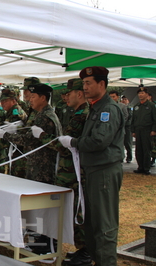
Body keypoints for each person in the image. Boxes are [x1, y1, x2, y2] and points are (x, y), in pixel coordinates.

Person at [59, 66, 124, 266]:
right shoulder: (96, 108)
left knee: (104, 224)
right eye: (84, 83)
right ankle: (97, 260)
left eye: (88, 83)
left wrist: (74, 143)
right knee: (92, 222)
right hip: (92, 171)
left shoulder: (108, 110)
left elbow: (98, 141)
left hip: (104, 171)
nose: (84, 87)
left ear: (102, 84)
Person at [36, 78, 91, 265]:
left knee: (78, 211)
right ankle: (80, 249)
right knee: (70, 210)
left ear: (80, 94)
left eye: (69, 94)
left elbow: (64, 147)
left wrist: (42, 136)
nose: (65, 97)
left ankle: (85, 252)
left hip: (75, 172)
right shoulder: (76, 113)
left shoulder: (83, 114)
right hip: (68, 172)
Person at [0, 83, 62, 184]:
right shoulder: (44, 114)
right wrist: (16, 129)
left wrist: (5, 135)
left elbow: (28, 140)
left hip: (41, 168)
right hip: (40, 165)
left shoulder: (44, 116)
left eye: (33, 97)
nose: (30, 100)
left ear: (43, 98)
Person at [0, 88, 27, 177]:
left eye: (5, 101)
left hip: (20, 155)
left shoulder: (15, 114)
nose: (2, 103)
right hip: (16, 154)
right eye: (1, 101)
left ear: (14, 101)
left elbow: (10, 139)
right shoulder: (10, 112)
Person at [131, 86, 156, 175]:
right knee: (139, 150)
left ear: (146, 94)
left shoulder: (151, 106)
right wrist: (133, 130)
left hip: (147, 130)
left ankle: (146, 168)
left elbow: (155, 119)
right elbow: (133, 119)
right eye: (139, 93)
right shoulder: (137, 106)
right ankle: (140, 167)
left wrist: (154, 130)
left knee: (146, 149)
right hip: (138, 130)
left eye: (142, 93)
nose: (140, 95)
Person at [121, 95, 133, 163]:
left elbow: (130, 117)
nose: (124, 101)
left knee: (127, 142)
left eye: (125, 99)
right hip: (122, 126)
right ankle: (122, 156)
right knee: (121, 142)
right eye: (123, 99)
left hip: (128, 126)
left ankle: (129, 157)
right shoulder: (120, 106)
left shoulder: (130, 107)